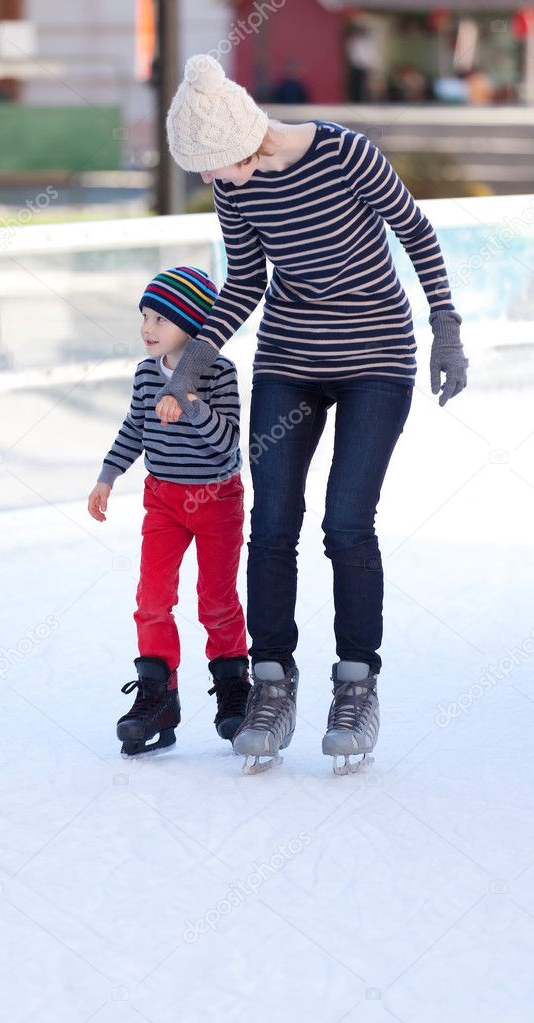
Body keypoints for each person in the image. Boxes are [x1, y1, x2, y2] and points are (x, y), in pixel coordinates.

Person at [157, 54, 469, 775]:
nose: (210, 182)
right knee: (271, 523)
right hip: (289, 362)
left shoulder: (347, 155)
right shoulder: (236, 190)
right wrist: (194, 360)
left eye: (212, 168)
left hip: (375, 361)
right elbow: (245, 283)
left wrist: (444, 326)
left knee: (345, 522)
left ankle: (356, 685)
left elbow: (416, 232)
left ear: (245, 143)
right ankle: (271, 682)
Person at [87, 266, 250, 757]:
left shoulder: (219, 373)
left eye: (160, 317)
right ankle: (159, 695)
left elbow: (229, 449)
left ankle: (233, 690)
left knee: (215, 600)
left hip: (217, 499)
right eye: (144, 316)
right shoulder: (144, 375)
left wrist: (192, 404)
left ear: (192, 322)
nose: (147, 327)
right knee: (152, 598)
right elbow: (134, 430)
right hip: (162, 500)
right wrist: (107, 476)